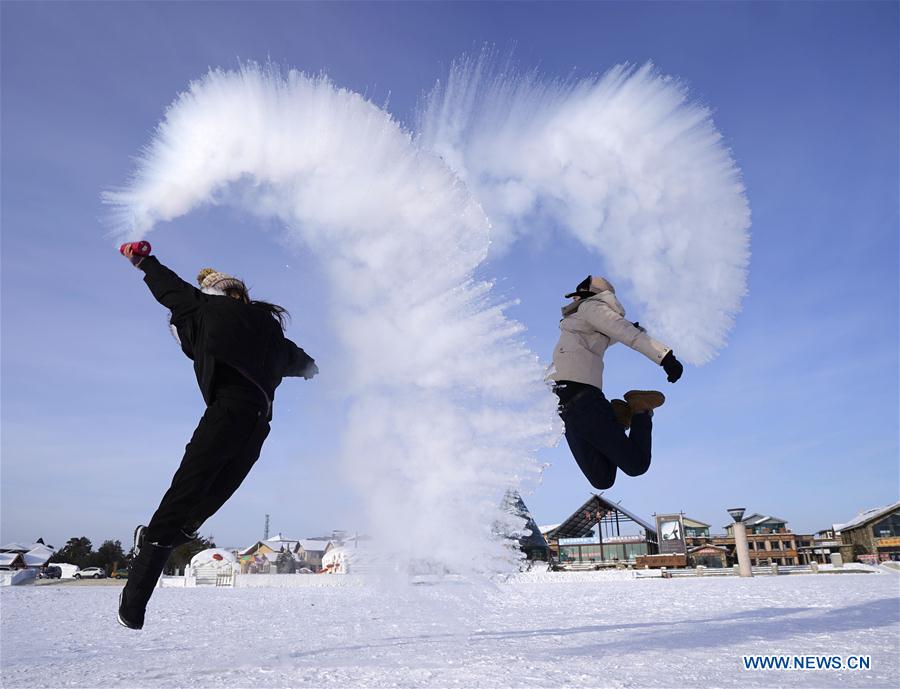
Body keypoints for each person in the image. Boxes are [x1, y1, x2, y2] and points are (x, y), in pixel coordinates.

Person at [117, 243, 318, 630]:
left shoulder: (262, 327)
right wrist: (145, 261)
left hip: (256, 424)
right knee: (189, 491)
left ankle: (161, 536)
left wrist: (314, 368)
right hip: (228, 409)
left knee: (215, 495)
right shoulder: (207, 309)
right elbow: (169, 287)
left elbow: (296, 358)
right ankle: (139, 586)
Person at [550, 275, 683, 490]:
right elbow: (614, 333)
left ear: (589, 294)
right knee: (602, 479)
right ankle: (619, 419)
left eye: (577, 293)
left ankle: (640, 408)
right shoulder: (582, 319)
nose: (573, 298)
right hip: (564, 409)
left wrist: (665, 357)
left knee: (636, 465)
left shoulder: (590, 307)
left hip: (582, 398)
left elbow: (626, 333)